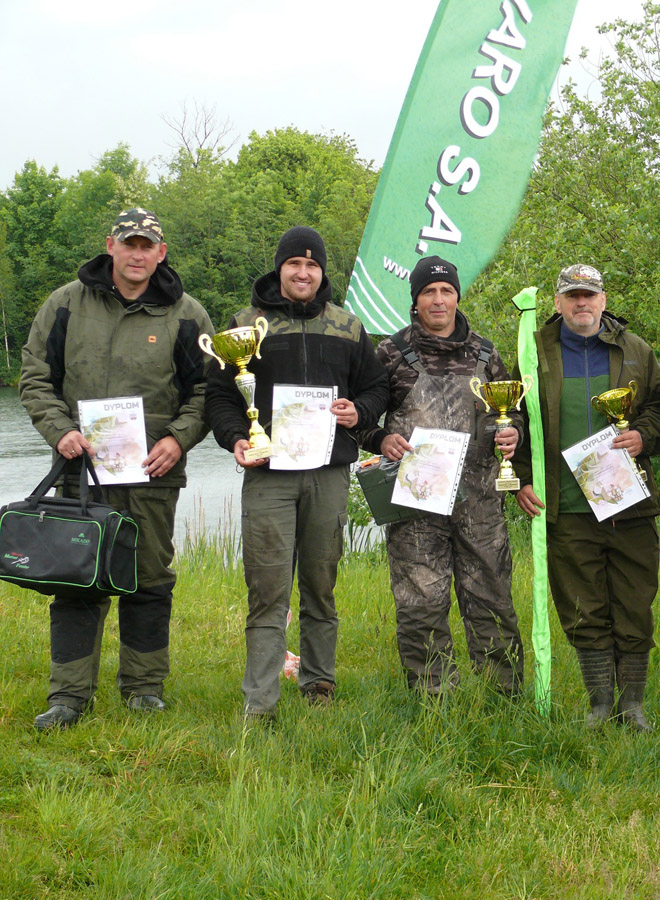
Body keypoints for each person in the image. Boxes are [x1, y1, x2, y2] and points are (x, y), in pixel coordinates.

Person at [19, 207, 213, 729]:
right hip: (79, 472)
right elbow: (35, 377)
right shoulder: (65, 304)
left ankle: (145, 688)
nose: (137, 253)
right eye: (129, 243)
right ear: (111, 246)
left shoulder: (188, 314)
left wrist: (179, 438)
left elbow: (206, 391)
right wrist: (60, 431)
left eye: (147, 245)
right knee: (75, 578)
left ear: (161, 253)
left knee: (148, 578)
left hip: (153, 474)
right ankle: (68, 697)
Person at [205, 226, 388, 721]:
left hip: (328, 474)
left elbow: (376, 390)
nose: (303, 273)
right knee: (267, 587)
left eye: (312, 265)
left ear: (322, 272)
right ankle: (260, 701)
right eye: (294, 264)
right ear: (280, 268)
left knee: (321, 582)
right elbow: (220, 397)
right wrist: (235, 440)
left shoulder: (348, 327)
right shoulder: (245, 324)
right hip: (269, 475)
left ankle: (319, 681)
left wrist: (359, 414)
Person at [357, 256, 524, 696]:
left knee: (491, 597)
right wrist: (380, 440)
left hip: (481, 503)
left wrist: (513, 435)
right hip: (415, 504)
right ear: (415, 301)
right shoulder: (390, 353)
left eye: (445, 290)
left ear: (457, 296)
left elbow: (516, 414)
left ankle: (502, 694)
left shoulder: (487, 354)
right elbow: (360, 417)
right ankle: (433, 701)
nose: (437, 299)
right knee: (421, 602)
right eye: (428, 292)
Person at [512, 264, 660, 731]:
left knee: (635, 604)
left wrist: (643, 436)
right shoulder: (532, 351)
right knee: (583, 607)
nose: (582, 304)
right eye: (572, 296)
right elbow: (513, 421)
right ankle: (600, 705)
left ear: (603, 299)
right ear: (558, 303)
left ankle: (633, 705)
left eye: (590, 295)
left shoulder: (636, 350)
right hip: (565, 505)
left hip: (628, 504)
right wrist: (521, 477)